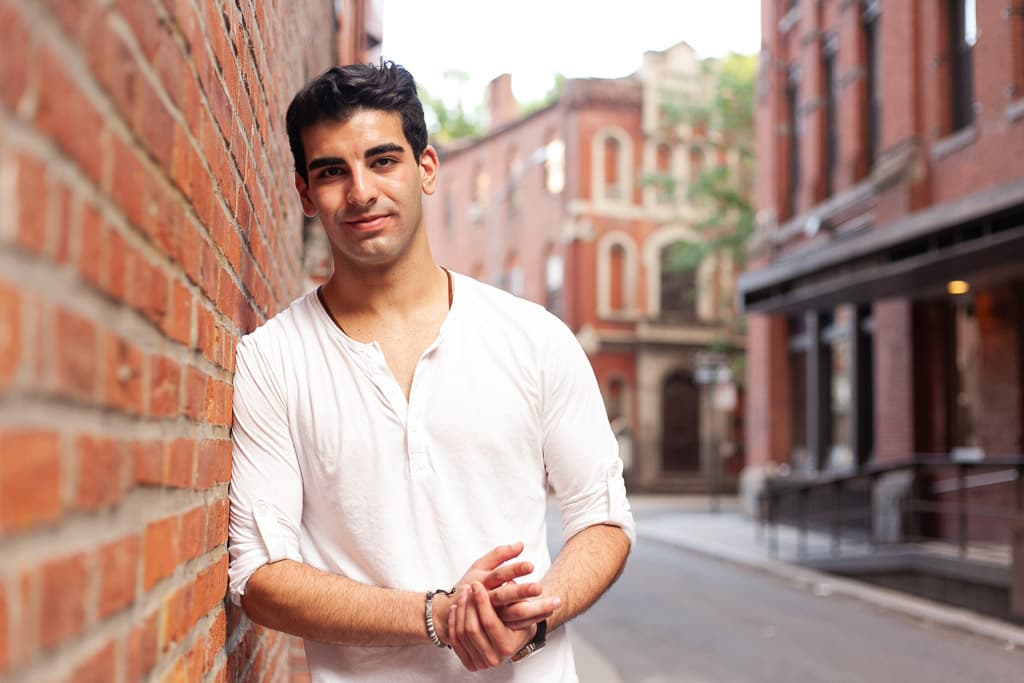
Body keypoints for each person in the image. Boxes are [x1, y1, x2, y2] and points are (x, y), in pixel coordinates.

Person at [227, 60, 634, 683]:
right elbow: (260, 577)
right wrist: (438, 615)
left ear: (426, 169)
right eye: (332, 171)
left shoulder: (534, 338)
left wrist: (535, 618)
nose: (360, 191)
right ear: (306, 194)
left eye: (383, 160)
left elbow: (602, 519)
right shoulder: (272, 361)